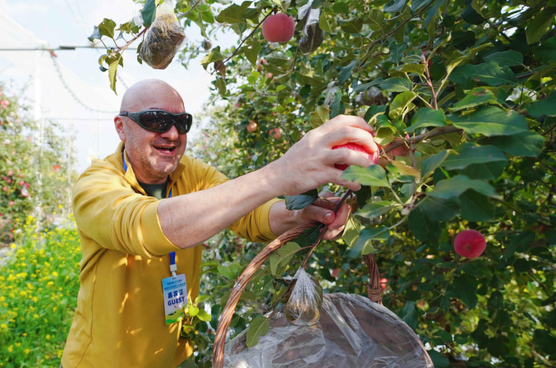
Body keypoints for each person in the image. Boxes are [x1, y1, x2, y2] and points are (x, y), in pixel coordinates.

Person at [61, 79, 378, 368]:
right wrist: (279, 173)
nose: (172, 134)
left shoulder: (192, 173)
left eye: (181, 123)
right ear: (121, 127)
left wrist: (300, 214)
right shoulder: (96, 184)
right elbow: (142, 227)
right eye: (155, 120)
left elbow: (251, 215)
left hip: (175, 359)